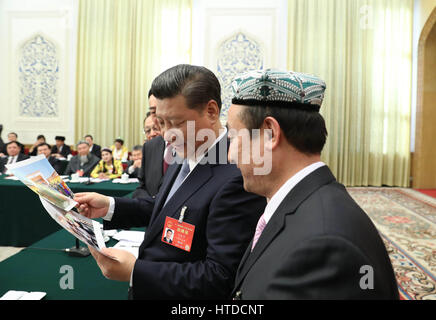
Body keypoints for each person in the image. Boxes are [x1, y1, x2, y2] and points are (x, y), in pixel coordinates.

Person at [74, 64, 267, 300]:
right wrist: (111, 206)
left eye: (176, 123)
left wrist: (136, 271)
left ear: (211, 111)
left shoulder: (237, 174)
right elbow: (169, 209)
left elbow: (220, 276)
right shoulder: (183, 152)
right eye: (161, 123)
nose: (166, 135)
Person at [227, 69, 399, 300]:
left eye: (234, 138)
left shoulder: (324, 246)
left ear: (269, 134)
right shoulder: (301, 202)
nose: (230, 155)